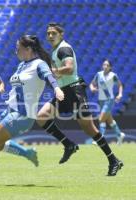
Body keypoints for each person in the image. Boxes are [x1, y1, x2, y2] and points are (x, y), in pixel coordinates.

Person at [0, 35, 65, 186]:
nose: (16, 51)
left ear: (28, 49)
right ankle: (27, 153)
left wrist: (57, 89)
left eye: (18, 49)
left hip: (22, 115)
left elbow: (49, 76)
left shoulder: (39, 64)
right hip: (9, 110)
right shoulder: (22, 65)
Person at [36, 22, 123, 176]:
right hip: (63, 92)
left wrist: (55, 71)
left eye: (53, 33)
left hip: (74, 91)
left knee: (89, 129)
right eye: (48, 33)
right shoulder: (56, 49)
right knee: (42, 117)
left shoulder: (64, 48)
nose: (50, 36)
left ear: (61, 34)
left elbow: (69, 68)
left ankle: (113, 160)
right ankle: (68, 144)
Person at [89, 59, 125, 145]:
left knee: (101, 118)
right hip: (101, 100)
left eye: (107, 65)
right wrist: (92, 88)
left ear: (110, 67)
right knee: (109, 120)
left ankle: (100, 139)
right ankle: (119, 134)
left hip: (109, 100)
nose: (105, 66)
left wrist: (120, 94)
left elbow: (120, 85)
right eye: (104, 65)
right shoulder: (99, 74)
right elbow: (92, 84)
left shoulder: (113, 76)